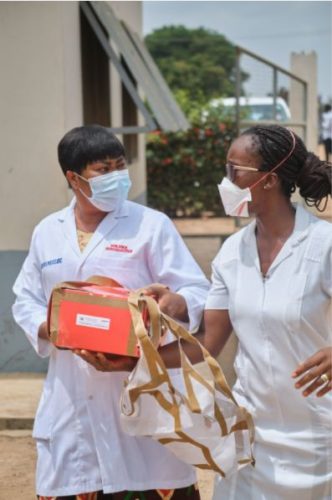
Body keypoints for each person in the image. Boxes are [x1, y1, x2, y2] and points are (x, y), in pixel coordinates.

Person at [81, 125, 332, 499]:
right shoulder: (233, 252)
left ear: (269, 179)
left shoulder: (323, 245)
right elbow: (207, 343)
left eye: (235, 170)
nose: (226, 179)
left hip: (320, 437)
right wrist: (132, 362)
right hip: (251, 438)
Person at [12, 125, 210, 500]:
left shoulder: (150, 225)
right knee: (77, 480)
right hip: (71, 397)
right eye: (103, 170)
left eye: (120, 166)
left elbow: (196, 290)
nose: (116, 177)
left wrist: (171, 302)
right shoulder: (47, 231)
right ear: (74, 178)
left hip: (138, 389)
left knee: (148, 481)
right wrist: (52, 328)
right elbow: (25, 297)